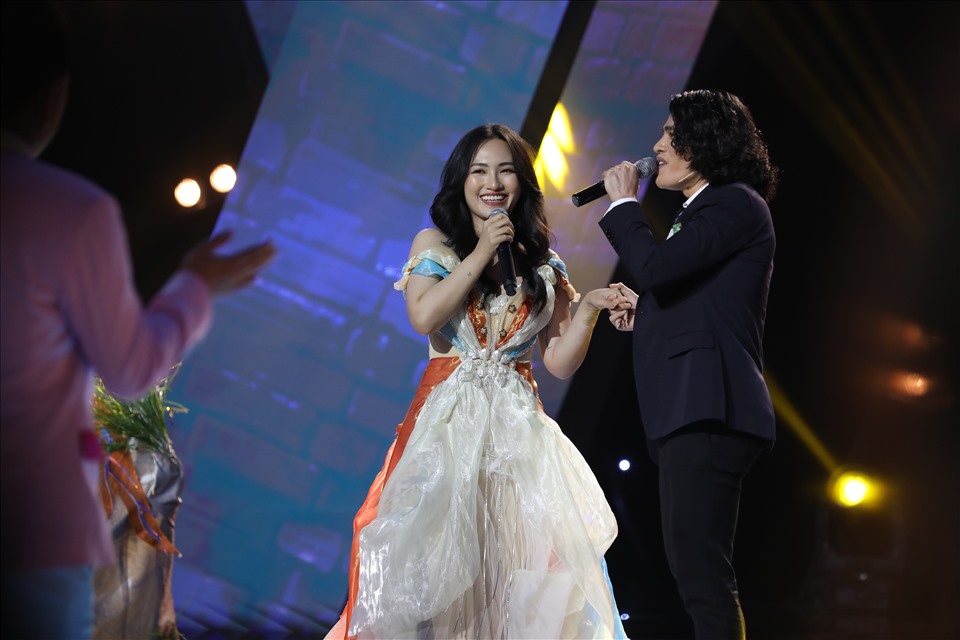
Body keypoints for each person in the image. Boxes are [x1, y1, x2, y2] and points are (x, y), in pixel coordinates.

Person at [0, 3, 277, 638]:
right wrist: (197, 285)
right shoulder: (73, 212)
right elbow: (130, 370)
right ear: (52, 98)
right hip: (32, 530)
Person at [325, 123, 630, 639]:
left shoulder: (544, 265)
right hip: (446, 437)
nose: (492, 183)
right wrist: (483, 250)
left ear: (522, 184)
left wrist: (590, 309)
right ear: (461, 181)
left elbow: (559, 362)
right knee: (434, 580)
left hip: (519, 443)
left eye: (505, 172)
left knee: (514, 582)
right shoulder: (435, 244)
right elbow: (423, 315)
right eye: (479, 171)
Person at [597, 89, 779, 639]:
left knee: (702, 576)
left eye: (671, 135)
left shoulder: (734, 202)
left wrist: (623, 206)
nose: (657, 146)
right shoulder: (703, 209)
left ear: (705, 142)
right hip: (691, 409)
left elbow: (655, 267)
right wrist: (646, 313)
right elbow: (697, 298)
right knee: (691, 570)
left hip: (712, 407)